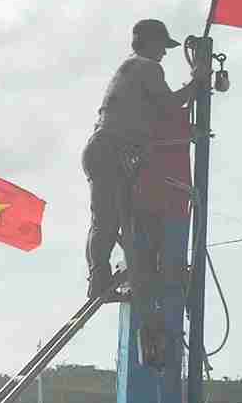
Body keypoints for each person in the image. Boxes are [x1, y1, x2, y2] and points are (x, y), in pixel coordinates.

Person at [81, 19, 201, 298]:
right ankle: (99, 281)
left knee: (116, 219)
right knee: (108, 221)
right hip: (109, 151)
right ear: (149, 43)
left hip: (109, 151)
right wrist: (196, 81)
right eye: (162, 45)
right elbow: (170, 105)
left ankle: (107, 278)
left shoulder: (132, 69)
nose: (165, 52)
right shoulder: (146, 67)